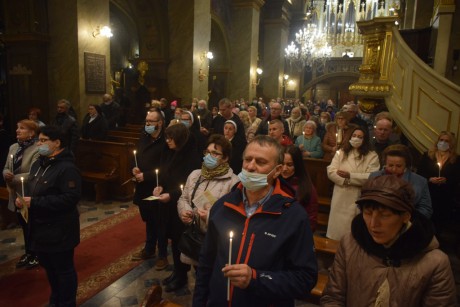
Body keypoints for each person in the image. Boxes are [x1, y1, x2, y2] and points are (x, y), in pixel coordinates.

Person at [193, 136, 318, 306]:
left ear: (277, 170)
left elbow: (305, 279)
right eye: (247, 160)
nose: (251, 167)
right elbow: (206, 263)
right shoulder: (223, 206)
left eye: (260, 162)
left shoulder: (293, 216)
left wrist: (256, 278)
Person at [321, 175, 457, 306]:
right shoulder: (350, 244)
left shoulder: (434, 262)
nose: (373, 224)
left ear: (405, 216)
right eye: (367, 213)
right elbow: (333, 297)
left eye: (385, 215)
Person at [15, 125, 81, 307]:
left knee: (63, 270)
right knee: (50, 269)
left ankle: (67, 302)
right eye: (38, 140)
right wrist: (22, 200)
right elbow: (32, 190)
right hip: (40, 228)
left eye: (44, 141)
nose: (39, 144)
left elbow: (70, 198)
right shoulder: (38, 164)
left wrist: (34, 203)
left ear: (57, 143)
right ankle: (56, 299)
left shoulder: (67, 168)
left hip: (60, 229)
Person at [177, 134, 239, 266]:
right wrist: (185, 211)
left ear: (225, 158)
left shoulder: (233, 182)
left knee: (210, 276)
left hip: (216, 240)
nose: (209, 156)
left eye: (215, 153)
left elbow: (234, 217)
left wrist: (210, 216)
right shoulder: (195, 175)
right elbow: (184, 198)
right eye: (207, 152)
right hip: (194, 233)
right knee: (196, 272)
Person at [154, 123, 201, 292]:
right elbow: (166, 175)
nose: (167, 141)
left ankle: (182, 275)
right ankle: (177, 272)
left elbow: (187, 188)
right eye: (167, 137)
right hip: (167, 205)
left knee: (181, 241)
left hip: (182, 207)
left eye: (171, 138)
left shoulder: (192, 159)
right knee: (173, 240)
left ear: (180, 139)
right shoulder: (170, 153)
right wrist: (160, 187)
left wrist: (171, 195)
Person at [131, 110, 169, 270]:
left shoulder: (166, 141)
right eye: (146, 121)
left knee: (159, 220)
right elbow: (137, 157)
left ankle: (162, 254)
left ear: (159, 123)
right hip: (143, 188)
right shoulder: (144, 137)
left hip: (157, 188)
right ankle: (149, 248)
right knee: (148, 219)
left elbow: (165, 167)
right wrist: (134, 168)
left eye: (151, 122)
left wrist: (146, 175)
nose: (147, 124)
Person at [326, 127, 380, 240]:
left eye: (360, 137)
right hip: (340, 194)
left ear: (365, 139)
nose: (356, 138)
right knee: (337, 229)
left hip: (358, 195)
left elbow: (371, 176)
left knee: (352, 231)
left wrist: (350, 177)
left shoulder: (372, 156)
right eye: (354, 136)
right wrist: (345, 180)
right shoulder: (341, 152)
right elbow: (331, 171)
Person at [3, 120, 40, 269]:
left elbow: (34, 173)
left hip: (29, 193)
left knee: (33, 225)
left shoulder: (37, 149)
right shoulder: (13, 147)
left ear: (31, 133)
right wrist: (6, 174)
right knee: (24, 225)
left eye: (22, 128)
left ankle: (37, 254)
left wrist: (14, 178)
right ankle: (28, 252)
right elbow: (6, 167)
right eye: (17, 128)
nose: (17, 130)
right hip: (15, 193)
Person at [369, 144, 433, 219]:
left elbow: (426, 209)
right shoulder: (374, 177)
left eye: (398, 166)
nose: (394, 169)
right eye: (390, 165)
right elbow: (364, 204)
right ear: (385, 163)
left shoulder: (420, 181)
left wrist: (406, 219)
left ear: (406, 165)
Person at [417, 131, 460, 238]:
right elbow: (419, 173)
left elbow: (457, 177)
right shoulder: (428, 155)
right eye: (441, 140)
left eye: (446, 141)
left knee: (440, 220)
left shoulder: (456, 159)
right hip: (429, 192)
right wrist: (429, 179)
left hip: (446, 195)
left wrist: (446, 180)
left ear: (451, 144)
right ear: (437, 141)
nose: (443, 142)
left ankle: (437, 239)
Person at [281, 145, 318, 231]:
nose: (284, 169)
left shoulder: (307, 188)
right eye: (282, 164)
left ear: (297, 165)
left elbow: (311, 220)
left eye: (289, 165)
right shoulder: (275, 182)